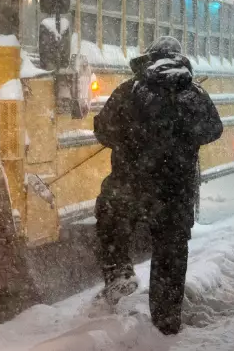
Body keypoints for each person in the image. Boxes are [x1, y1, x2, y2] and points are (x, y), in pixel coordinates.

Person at [92, 36, 223, 335]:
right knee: (170, 254)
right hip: (175, 193)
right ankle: (165, 322)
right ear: (180, 59)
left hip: (130, 186)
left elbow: (103, 129)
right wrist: (181, 138)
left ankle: (119, 274)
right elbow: (214, 129)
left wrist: (131, 139)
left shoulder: (130, 91)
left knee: (110, 218)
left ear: (149, 57)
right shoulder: (194, 94)